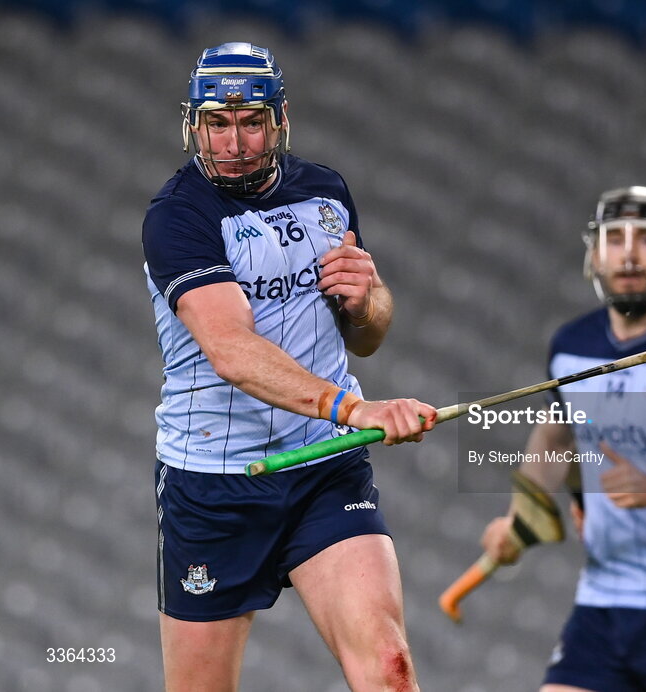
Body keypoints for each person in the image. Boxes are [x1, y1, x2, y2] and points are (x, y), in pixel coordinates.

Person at [142, 42, 436, 692]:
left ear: (280, 120)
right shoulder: (178, 218)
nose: (236, 142)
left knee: (390, 668)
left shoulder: (326, 192)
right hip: (216, 483)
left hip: (325, 467)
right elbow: (231, 350)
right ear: (193, 124)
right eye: (218, 124)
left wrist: (368, 301)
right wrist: (355, 409)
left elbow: (366, 335)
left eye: (251, 123)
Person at [481, 186, 646, 691]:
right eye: (613, 239)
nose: (627, 254)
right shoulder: (570, 346)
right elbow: (559, 440)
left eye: (645, 239)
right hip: (603, 602)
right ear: (593, 253)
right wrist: (520, 518)